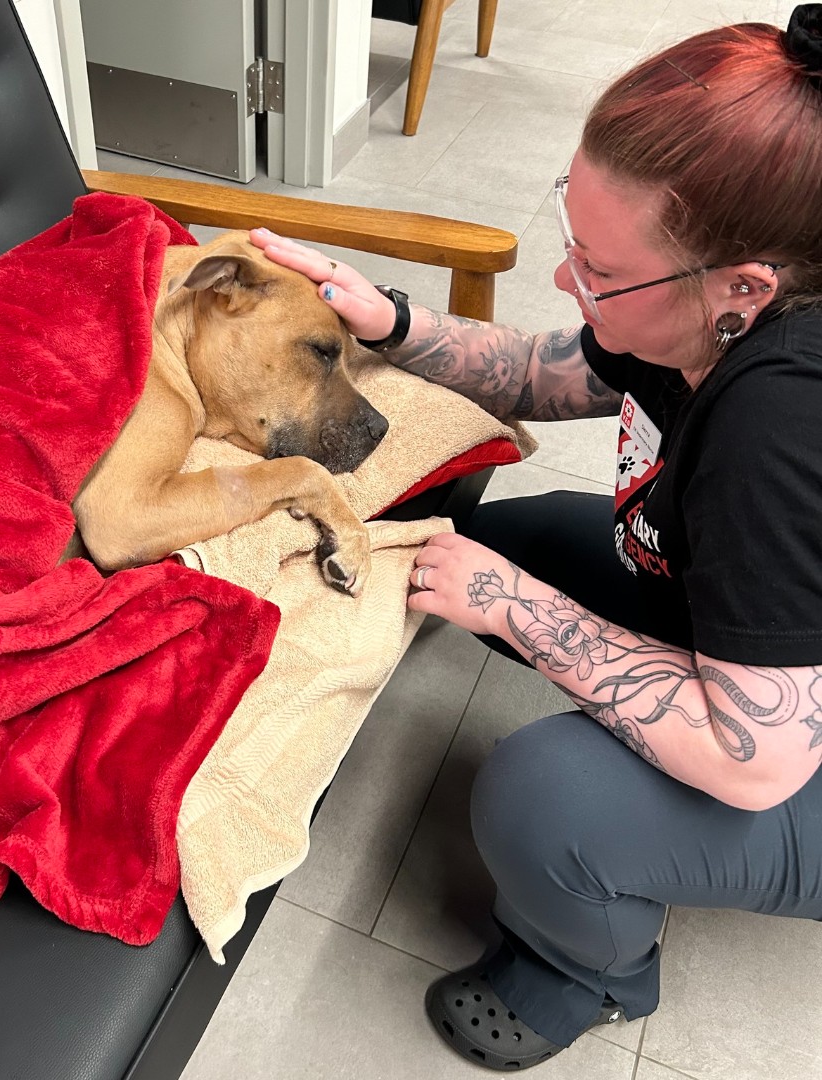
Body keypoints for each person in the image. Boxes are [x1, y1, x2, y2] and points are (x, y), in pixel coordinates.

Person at [249, 5, 822, 1072]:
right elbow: (539, 370)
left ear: (743, 290)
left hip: (795, 760)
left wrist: (514, 606)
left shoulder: (781, 430)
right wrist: (394, 323)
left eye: (599, 270)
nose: (568, 280)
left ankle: (591, 971)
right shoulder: (713, 308)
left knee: (541, 792)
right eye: (573, 235)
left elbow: (760, 761)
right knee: (530, 535)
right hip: (770, 671)